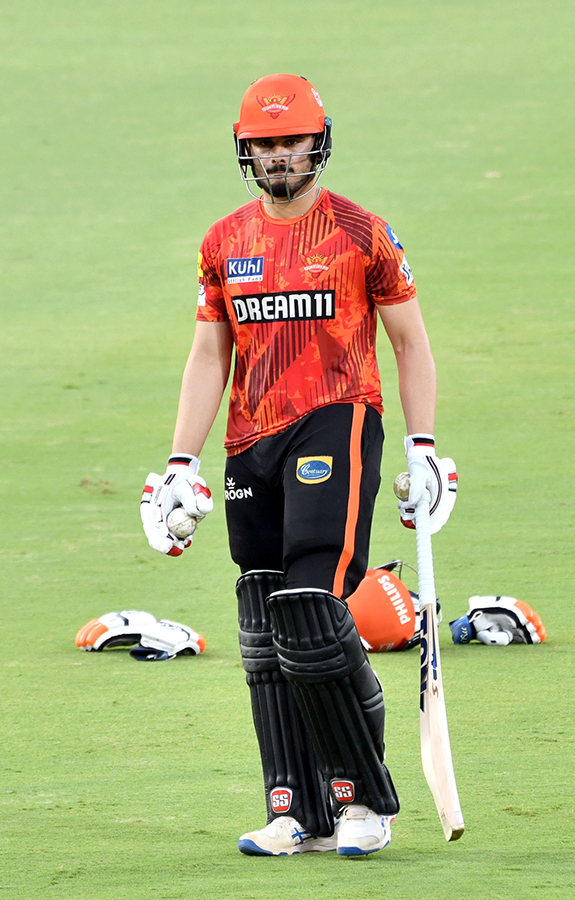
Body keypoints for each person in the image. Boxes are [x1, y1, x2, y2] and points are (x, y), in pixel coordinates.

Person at [140, 73, 444, 857]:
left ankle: (365, 800)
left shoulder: (360, 232)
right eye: (266, 142)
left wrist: (423, 446)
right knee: (262, 615)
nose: (280, 155)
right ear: (247, 148)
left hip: (338, 419)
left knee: (310, 604)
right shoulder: (224, 242)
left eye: (293, 140)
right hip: (252, 439)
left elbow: (410, 342)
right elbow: (210, 355)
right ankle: (296, 809)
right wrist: (181, 459)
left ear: (320, 140)